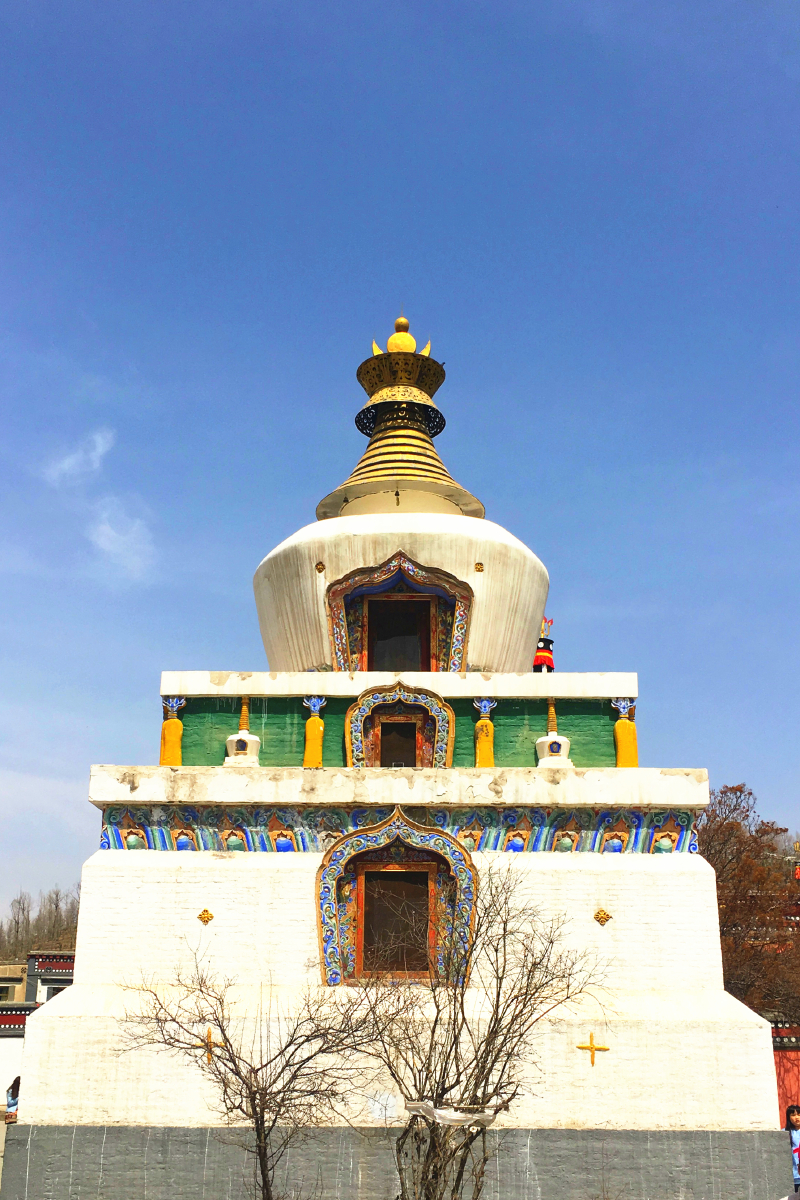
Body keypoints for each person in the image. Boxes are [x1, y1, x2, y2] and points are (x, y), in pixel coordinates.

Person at [786, 1104, 800, 1193]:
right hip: (794, 1175)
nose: (797, 1117)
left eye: (799, 1114)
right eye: (793, 1115)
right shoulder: (786, 1133)